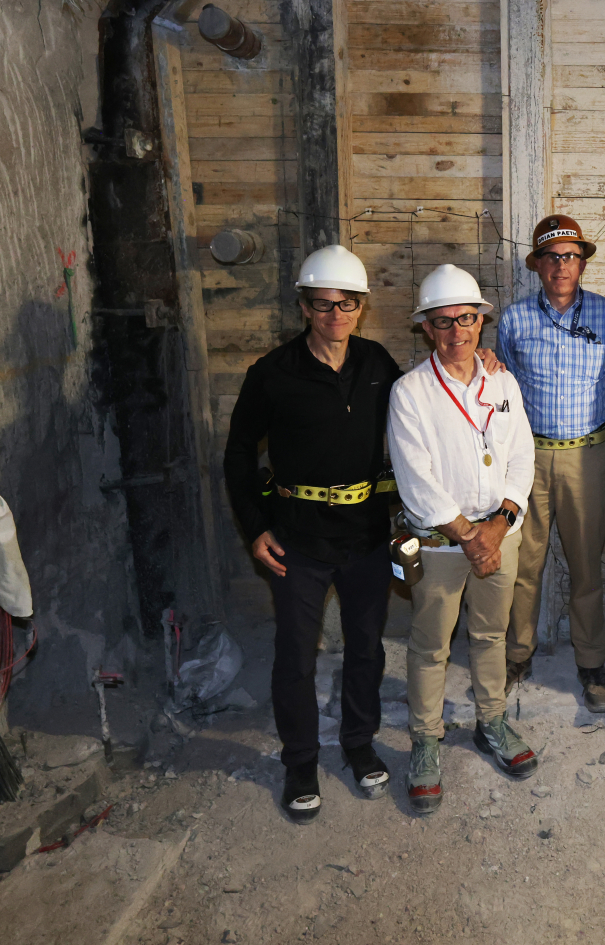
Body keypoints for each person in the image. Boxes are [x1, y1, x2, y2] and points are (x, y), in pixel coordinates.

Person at [223, 245, 400, 823]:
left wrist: (484, 364)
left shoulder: (378, 365)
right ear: (304, 307)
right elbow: (238, 453)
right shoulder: (271, 374)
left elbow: (426, 412)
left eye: (347, 304)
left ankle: (357, 742)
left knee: (366, 648)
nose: (336, 315)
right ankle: (300, 760)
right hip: (296, 537)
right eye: (323, 305)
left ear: (361, 307)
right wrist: (255, 528)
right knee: (296, 654)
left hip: (367, 533)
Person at [387, 264, 539, 815]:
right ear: (427, 327)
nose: (458, 332)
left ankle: (491, 723)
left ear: (481, 320)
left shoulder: (502, 382)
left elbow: (521, 454)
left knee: (491, 635)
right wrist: (468, 535)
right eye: (444, 321)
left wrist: (499, 524)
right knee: (430, 646)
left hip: (500, 535)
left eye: (467, 319)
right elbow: (415, 477)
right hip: (440, 542)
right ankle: (426, 742)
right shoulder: (411, 393)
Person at [496, 215, 605, 713]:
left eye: (571, 256)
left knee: (585, 566)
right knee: (523, 564)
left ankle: (591, 661)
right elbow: (505, 391)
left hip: (585, 457)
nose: (561, 265)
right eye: (551, 257)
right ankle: (517, 654)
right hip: (527, 457)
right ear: (535, 264)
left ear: (583, 262)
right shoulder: (512, 319)